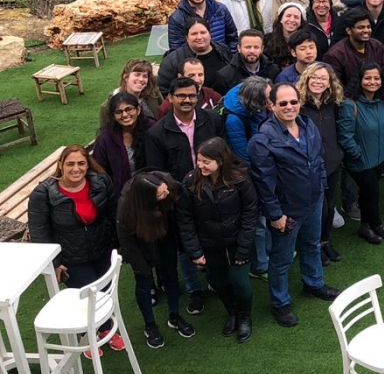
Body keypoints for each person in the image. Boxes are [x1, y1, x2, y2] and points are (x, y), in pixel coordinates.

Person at [248, 83, 339, 326]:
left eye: (293, 102)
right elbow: (263, 183)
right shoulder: (262, 140)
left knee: (312, 245)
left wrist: (320, 187)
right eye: (283, 103)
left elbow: (318, 160)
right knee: (282, 259)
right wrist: (275, 215)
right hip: (286, 211)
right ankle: (280, 303)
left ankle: (314, 284)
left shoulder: (308, 125)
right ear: (271, 106)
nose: (289, 106)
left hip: (313, 201)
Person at [176, 139, 260, 343]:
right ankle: (232, 313)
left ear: (221, 161)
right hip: (210, 245)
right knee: (218, 282)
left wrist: (243, 247)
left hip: (236, 243)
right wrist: (195, 251)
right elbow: (185, 219)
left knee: (241, 283)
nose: (200, 165)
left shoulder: (241, 179)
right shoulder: (190, 181)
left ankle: (244, 317)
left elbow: (250, 214)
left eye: (206, 162)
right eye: (199, 160)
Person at [114, 169, 189, 348]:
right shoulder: (126, 207)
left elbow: (179, 208)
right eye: (161, 194)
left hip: (165, 236)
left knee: (170, 275)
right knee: (144, 282)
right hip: (141, 243)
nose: (167, 193)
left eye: (165, 189)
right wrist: (140, 266)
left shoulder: (168, 184)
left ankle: (175, 316)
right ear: (147, 199)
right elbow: (126, 239)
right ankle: (150, 325)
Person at [29, 146, 117, 296]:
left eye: (81, 163)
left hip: (103, 252)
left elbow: (113, 213)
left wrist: (118, 245)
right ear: (60, 165)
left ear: (88, 165)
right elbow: (39, 233)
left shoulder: (101, 182)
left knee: (107, 295)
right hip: (72, 262)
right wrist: (54, 264)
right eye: (70, 164)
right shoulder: (43, 194)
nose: (76, 169)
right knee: (89, 300)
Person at [336, 63, 384, 246]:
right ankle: (377, 225)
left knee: (367, 194)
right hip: (361, 161)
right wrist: (358, 155)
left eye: (376, 78)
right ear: (360, 80)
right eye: (368, 78)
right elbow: (345, 136)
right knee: (372, 193)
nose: (372, 82)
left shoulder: (381, 102)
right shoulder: (349, 105)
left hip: (378, 158)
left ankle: (365, 226)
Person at [296, 63, 345, 264]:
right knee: (319, 209)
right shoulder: (298, 106)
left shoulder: (333, 103)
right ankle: (313, 245)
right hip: (311, 168)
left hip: (332, 163)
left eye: (323, 78)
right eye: (314, 77)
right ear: (306, 79)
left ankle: (325, 242)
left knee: (330, 206)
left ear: (329, 83)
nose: (318, 81)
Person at [90, 92, 152, 199]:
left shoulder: (152, 130)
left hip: (152, 191)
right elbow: (99, 170)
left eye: (129, 109)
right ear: (113, 116)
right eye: (119, 112)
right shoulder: (106, 139)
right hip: (121, 196)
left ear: (138, 110)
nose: (124, 115)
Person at [157, 20, 238, 96]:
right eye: (194, 34)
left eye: (203, 32)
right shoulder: (172, 61)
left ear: (210, 34)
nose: (199, 37)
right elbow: (165, 91)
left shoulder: (223, 50)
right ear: (187, 37)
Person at [323, 8, 384, 89]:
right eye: (361, 27)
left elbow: (383, 77)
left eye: (368, 27)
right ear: (349, 30)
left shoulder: (377, 47)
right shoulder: (335, 55)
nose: (366, 30)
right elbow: (335, 86)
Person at [156, 57, 223, 114]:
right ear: (180, 77)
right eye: (191, 75)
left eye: (200, 75)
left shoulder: (213, 97)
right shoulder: (167, 107)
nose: (197, 80)